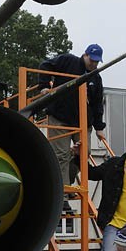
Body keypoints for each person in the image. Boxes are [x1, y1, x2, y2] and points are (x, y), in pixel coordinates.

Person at [38, 44, 106, 192]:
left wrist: (99, 128)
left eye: (96, 62)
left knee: (84, 153)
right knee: (61, 155)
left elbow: (97, 104)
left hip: (82, 122)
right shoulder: (68, 61)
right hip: (59, 117)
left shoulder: (96, 77)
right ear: (85, 55)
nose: (93, 64)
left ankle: (65, 183)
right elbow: (45, 64)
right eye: (92, 60)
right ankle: (61, 192)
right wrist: (44, 86)